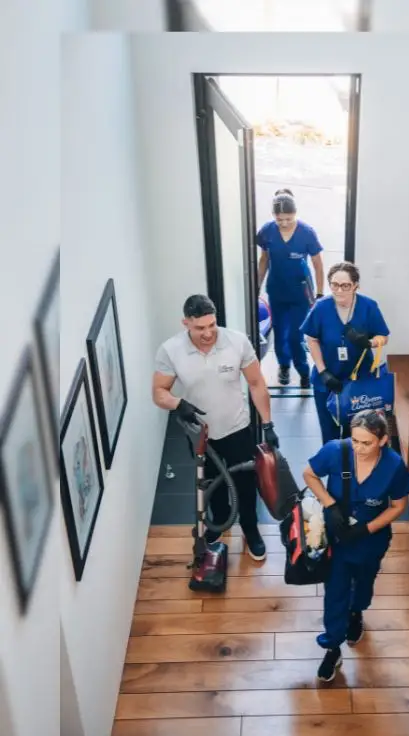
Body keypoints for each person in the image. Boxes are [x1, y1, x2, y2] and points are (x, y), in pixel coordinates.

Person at [152, 294, 279, 561]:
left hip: (237, 427)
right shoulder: (170, 350)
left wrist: (267, 424)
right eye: (200, 328)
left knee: (245, 484)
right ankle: (220, 521)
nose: (209, 333)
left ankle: (250, 529)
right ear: (186, 323)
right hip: (202, 435)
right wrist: (178, 403)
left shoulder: (237, 341)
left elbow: (256, 383)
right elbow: (159, 392)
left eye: (212, 325)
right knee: (211, 483)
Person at [303, 409, 409, 682]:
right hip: (338, 539)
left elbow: (398, 507)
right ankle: (332, 646)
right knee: (335, 592)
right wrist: (330, 506)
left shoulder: (394, 465)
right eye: (355, 440)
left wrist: (366, 528)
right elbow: (309, 474)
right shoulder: (335, 451)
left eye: (366, 443)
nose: (359, 448)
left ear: (383, 440)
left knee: (364, 582)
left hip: (371, 540)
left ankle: (357, 611)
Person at [300, 261, 390, 444]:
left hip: (358, 382)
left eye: (345, 286)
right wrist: (323, 371)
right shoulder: (321, 307)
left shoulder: (368, 307)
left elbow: (384, 336)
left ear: (355, 285)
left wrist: (368, 342)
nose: (339, 290)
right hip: (326, 380)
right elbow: (311, 339)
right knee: (329, 433)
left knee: (356, 433)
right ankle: (335, 469)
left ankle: (352, 469)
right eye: (334, 285)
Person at [257, 188, 325, 388]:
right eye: (280, 219)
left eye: (289, 218)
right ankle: (284, 366)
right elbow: (263, 260)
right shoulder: (267, 231)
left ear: (295, 214)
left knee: (296, 335)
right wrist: (256, 287)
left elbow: (318, 265)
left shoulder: (306, 233)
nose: (284, 223)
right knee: (279, 332)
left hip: (300, 293)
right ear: (273, 216)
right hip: (277, 291)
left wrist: (320, 293)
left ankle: (303, 371)